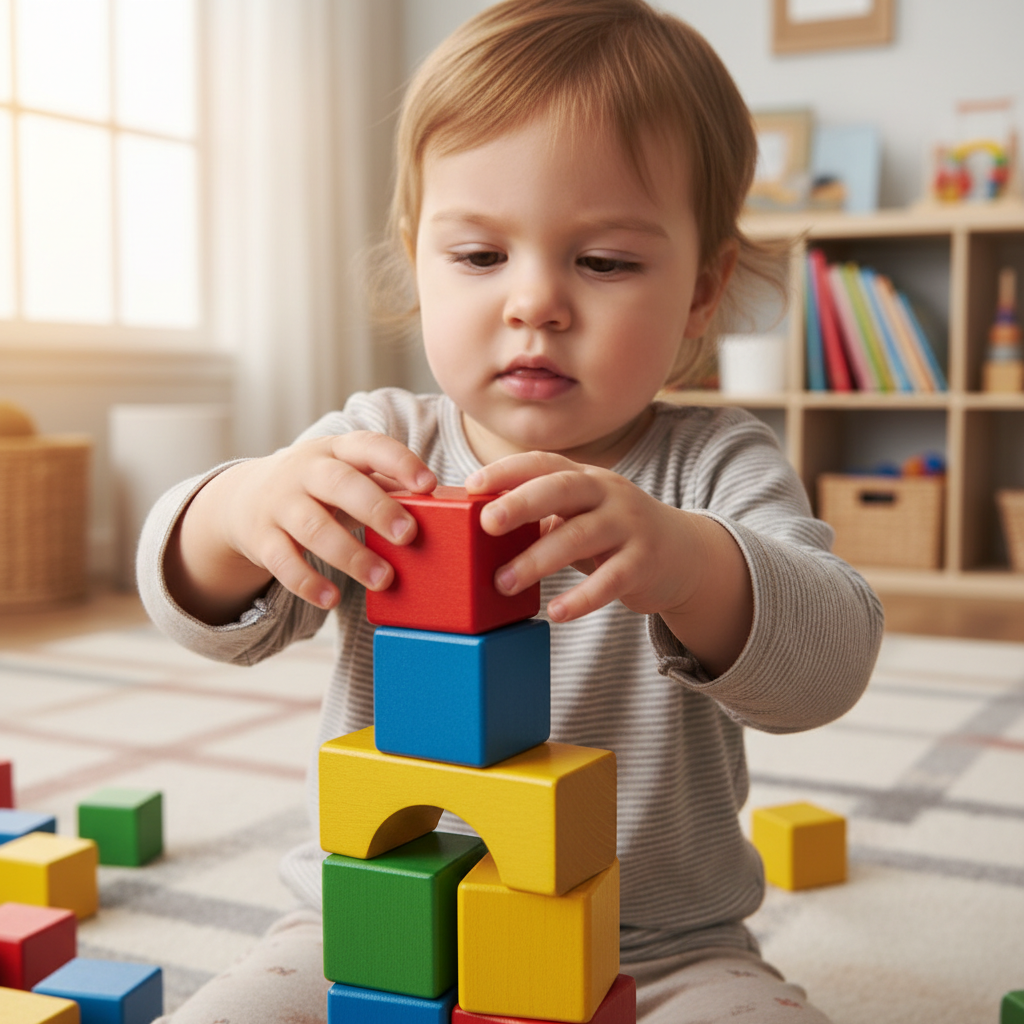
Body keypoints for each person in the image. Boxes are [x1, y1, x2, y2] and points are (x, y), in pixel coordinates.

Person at [140, 2, 883, 1021]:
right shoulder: (374, 446)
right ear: (416, 255)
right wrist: (237, 506)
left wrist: (688, 564)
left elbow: (828, 664)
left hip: (655, 940)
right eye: (480, 257)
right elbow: (201, 605)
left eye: (605, 261)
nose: (535, 301)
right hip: (373, 922)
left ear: (702, 291)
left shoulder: (715, 467)